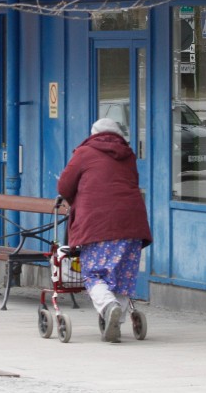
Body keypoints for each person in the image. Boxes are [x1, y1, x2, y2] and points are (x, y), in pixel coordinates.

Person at [56, 117, 152, 343]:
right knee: (121, 277)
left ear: (94, 134)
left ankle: (109, 307)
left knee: (93, 274)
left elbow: (64, 186)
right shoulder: (128, 155)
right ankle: (114, 324)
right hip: (132, 224)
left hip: (99, 224)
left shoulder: (84, 152)